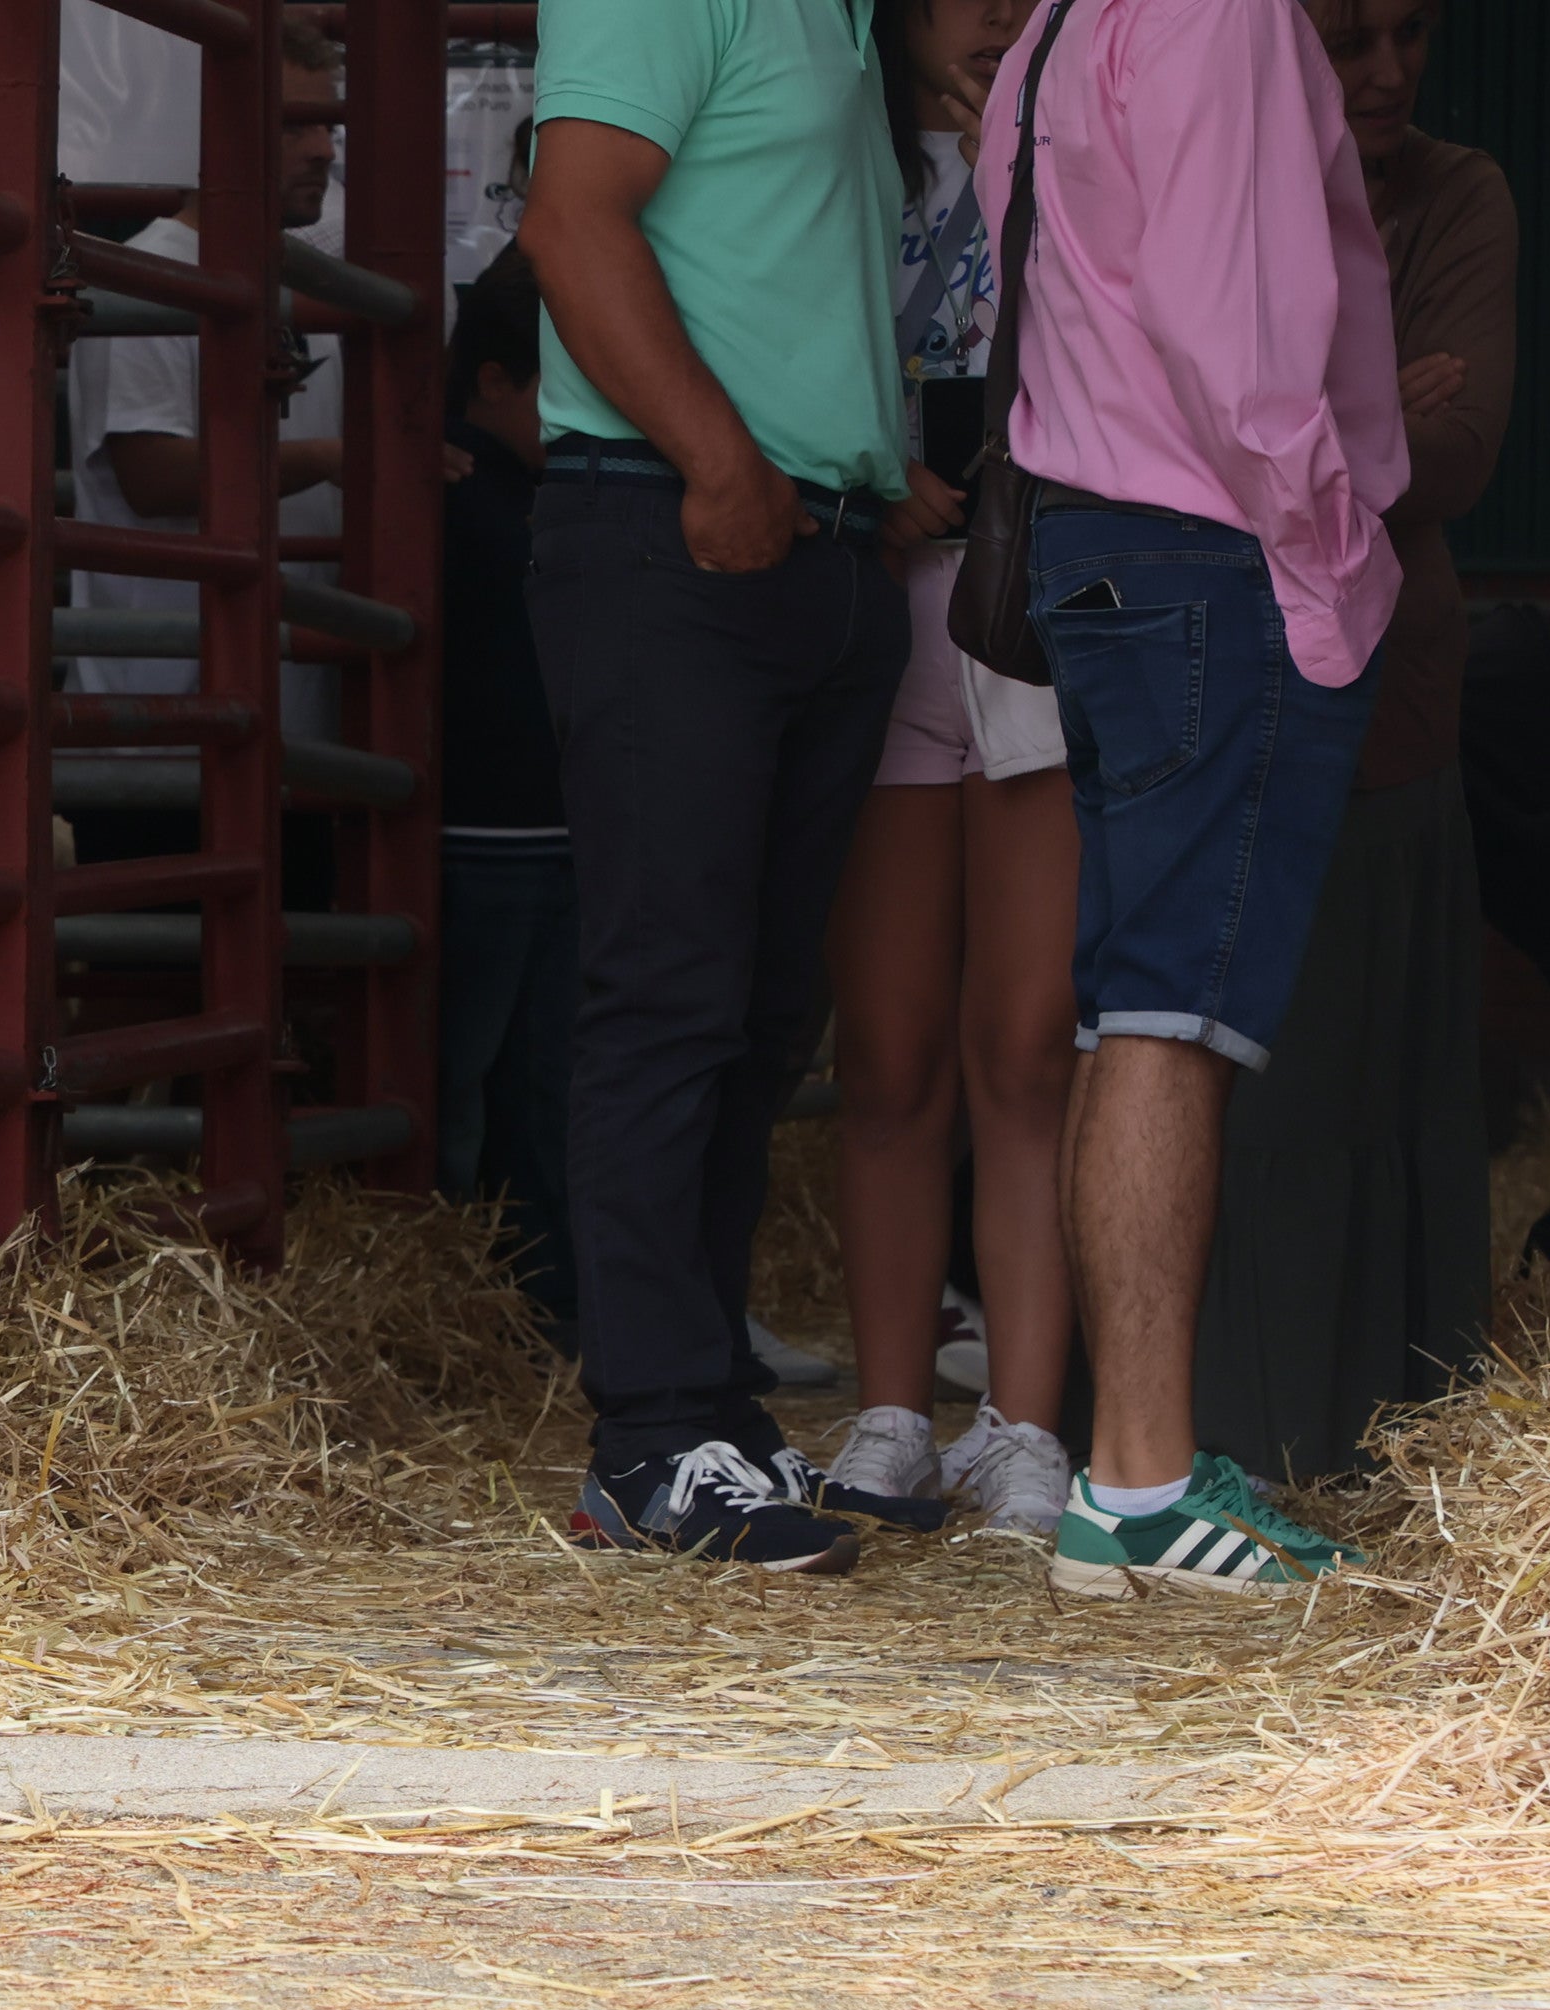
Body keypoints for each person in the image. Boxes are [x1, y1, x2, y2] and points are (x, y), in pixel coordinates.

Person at [982, 0, 1405, 1595]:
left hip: (1098, 542)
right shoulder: (1219, 12)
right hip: (1212, 545)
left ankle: (1129, 1466)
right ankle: (1144, 1487)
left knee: (1128, 1007)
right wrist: (1337, 550)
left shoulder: (1055, 26)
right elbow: (1235, 340)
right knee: (1177, 1014)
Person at [516, 0, 928, 1571]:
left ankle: (707, 1409)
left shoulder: (839, 12)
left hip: (800, 543)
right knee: (674, 996)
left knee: (756, 1014)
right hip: (682, 534)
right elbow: (570, 219)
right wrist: (721, 462)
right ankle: (648, 1434)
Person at [1192, 0, 1508, 1483]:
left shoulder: (1462, 192)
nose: (1385, 72)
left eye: (1411, 38)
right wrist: (1366, 408)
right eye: (1346, 37)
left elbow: (1461, 445)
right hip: (1205, 686)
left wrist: (1287, 418)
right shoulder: (1208, 166)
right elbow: (1182, 434)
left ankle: (1378, 1443)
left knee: (1374, 1080)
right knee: (1249, 1082)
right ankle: (1227, 1442)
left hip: (1389, 692)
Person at [816, 0, 1079, 1537]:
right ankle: (896, 1411)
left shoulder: (1080, 142)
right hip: (879, 610)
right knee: (888, 1048)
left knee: (1028, 1042)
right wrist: (869, 463)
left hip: (1029, 607)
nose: (987, 14)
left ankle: (1028, 1426)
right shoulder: (836, 159)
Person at [62, 15, 348, 746]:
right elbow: (152, 476)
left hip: (283, 716)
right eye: (294, 126)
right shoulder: (152, 278)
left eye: (326, 124)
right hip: (160, 720)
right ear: (210, 129)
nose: (323, 149)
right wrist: (331, 462)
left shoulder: (298, 282)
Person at [435, 244, 578, 1344]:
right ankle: (477, 1288)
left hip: (525, 827)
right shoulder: (465, 491)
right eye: (561, 381)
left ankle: (525, 1297)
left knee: (518, 1083)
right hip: (491, 827)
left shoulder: (500, 485)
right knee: (480, 1081)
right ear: (494, 381)